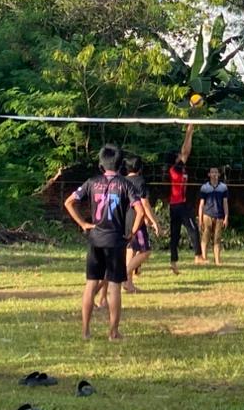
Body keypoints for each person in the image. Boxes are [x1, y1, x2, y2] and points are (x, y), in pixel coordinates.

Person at [64, 144, 135, 340]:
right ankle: (113, 332)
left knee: (90, 284)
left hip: (95, 238)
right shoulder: (126, 184)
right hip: (115, 239)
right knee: (114, 286)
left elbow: (68, 202)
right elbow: (140, 209)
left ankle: (85, 331)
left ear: (100, 164)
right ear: (120, 164)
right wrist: (133, 231)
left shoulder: (91, 182)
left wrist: (83, 223)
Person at [166, 125, 203, 273]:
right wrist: (189, 131)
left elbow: (185, 152)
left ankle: (173, 262)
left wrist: (190, 132)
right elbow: (185, 151)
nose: (181, 157)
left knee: (175, 234)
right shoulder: (175, 169)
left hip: (175, 205)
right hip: (179, 205)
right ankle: (198, 256)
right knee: (193, 229)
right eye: (178, 156)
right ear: (175, 159)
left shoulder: (177, 169)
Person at [123, 155, 159, 292]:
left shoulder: (122, 181)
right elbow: (144, 203)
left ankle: (128, 284)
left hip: (125, 220)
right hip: (136, 219)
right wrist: (154, 221)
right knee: (145, 251)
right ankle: (124, 274)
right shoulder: (140, 181)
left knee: (130, 250)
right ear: (140, 168)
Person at [197, 167, 229, 265]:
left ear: (219, 175)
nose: (214, 174)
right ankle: (204, 258)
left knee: (217, 239)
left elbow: (225, 203)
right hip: (207, 215)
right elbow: (201, 204)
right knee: (205, 237)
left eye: (216, 172)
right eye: (212, 172)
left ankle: (217, 261)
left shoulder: (223, 187)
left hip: (219, 216)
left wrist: (226, 217)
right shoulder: (204, 187)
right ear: (209, 174)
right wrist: (200, 219)